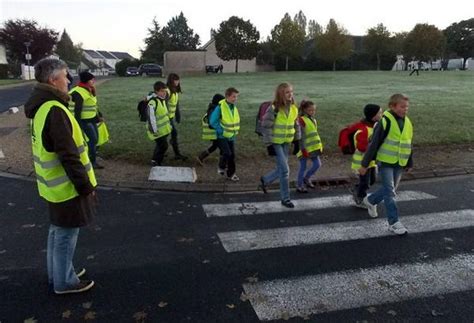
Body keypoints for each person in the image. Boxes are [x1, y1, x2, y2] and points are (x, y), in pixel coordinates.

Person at [24, 58, 97, 294]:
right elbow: (69, 155)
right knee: (66, 233)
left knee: (57, 230)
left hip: (52, 186)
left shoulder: (42, 107)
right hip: (67, 187)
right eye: (65, 76)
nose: (68, 80)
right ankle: (65, 281)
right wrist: (85, 186)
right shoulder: (55, 110)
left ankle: (59, 273)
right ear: (53, 80)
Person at [359, 94, 413, 235]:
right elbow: (374, 144)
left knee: (391, 189)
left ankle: (370, 200)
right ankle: (394, 222)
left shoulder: (407, 122)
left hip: (399, 162)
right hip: (385, 162)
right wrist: (365, 164)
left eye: (407, 107)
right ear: (392, 106)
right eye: (402, 107)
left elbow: (408, 143)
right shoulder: (385, 122)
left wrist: (409, 162)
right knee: (390, 192)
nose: (405, 109)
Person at [259, 83, 300, 208]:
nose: (290, 94)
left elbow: (296, 125)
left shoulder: (293, 108)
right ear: (280, 94)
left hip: (286, 142)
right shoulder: (274, 108)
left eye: (291, 91)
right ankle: (285, 199)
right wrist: (269, 144)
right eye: (287, 92)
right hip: (275, 142)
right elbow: (266, 126)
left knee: (282, 169)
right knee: (285, 170)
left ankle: (265, 181)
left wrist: (297, 141)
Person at [69, 71, 104, 169]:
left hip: (91, 119)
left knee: (95, 140)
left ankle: (90, 156)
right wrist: (78, 126)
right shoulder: (78, 92)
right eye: (91, 79)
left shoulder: (89, 89)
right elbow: (77, 111)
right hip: (84, 121)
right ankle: (90, 161)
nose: (93, 81)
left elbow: (93, 104)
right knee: (93, 140)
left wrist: (99, 115)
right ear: (86, 80)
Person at [351, 104, 383, 207]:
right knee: (365, 182)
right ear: (373, 116)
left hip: (371, 161)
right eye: (380, 113)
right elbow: (361, 147)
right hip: (361, 162)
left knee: (372, 180)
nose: (382, 115)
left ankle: (357, 188)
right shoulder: (364, 130)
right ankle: (360, 199)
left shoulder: (375, 126)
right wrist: (372, 145)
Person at [209, 87, 240, 181]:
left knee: (232, 156)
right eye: (233, 97)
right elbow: (213, 121)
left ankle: (231, 174)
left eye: (236, 97)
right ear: (227, 96)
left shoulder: (233, 107)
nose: (235, 99)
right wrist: (220, 131)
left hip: (231, 136)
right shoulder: (220, 107)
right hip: (222, 136)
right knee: (227, 153)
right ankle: (221, 167)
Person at [296, 100, 323, 193]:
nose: (312, 112)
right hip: (304, 149)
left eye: (313, 110)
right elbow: (301, 137)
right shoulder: (301, 120)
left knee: (317, 164)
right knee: (302, 167)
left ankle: (306, 179)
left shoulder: (313, 120)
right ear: (304, 110)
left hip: (313, 148)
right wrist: (303, 149)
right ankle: (299, 185)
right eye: (310, 110)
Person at [147, 81, 172, 166]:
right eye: (162, 91)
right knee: (164, 146)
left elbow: (168, 91)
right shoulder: (153, 102)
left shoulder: (163, 100)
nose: (164, 93)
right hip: (156, 130)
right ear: (156, 91)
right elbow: (151, 118)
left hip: (163, 130)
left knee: (160, 146)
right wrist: (154, 130)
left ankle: (156, 160)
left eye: (164, 91)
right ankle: (156, 161)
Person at [196, 93, 225, 165]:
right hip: (216, 132)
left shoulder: (214, 108)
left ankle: (201, 157)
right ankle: (223, 163)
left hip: (216, 132)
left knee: (215, 146)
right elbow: (212, 122)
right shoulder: (214, 110)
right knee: (222, 148)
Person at [165, 73, 187, 160]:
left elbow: (176, 104)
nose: (177, 82)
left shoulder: (175, 91)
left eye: (178, 80)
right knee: (172, 133)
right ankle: (175, 153)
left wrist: (178, 115)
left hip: (170, 117)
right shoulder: (167, 91)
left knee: (166, 135)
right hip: (166, 118)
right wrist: (166, 118)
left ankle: (167, 151)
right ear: (171, 80)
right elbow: (164, 105)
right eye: (175, 80)